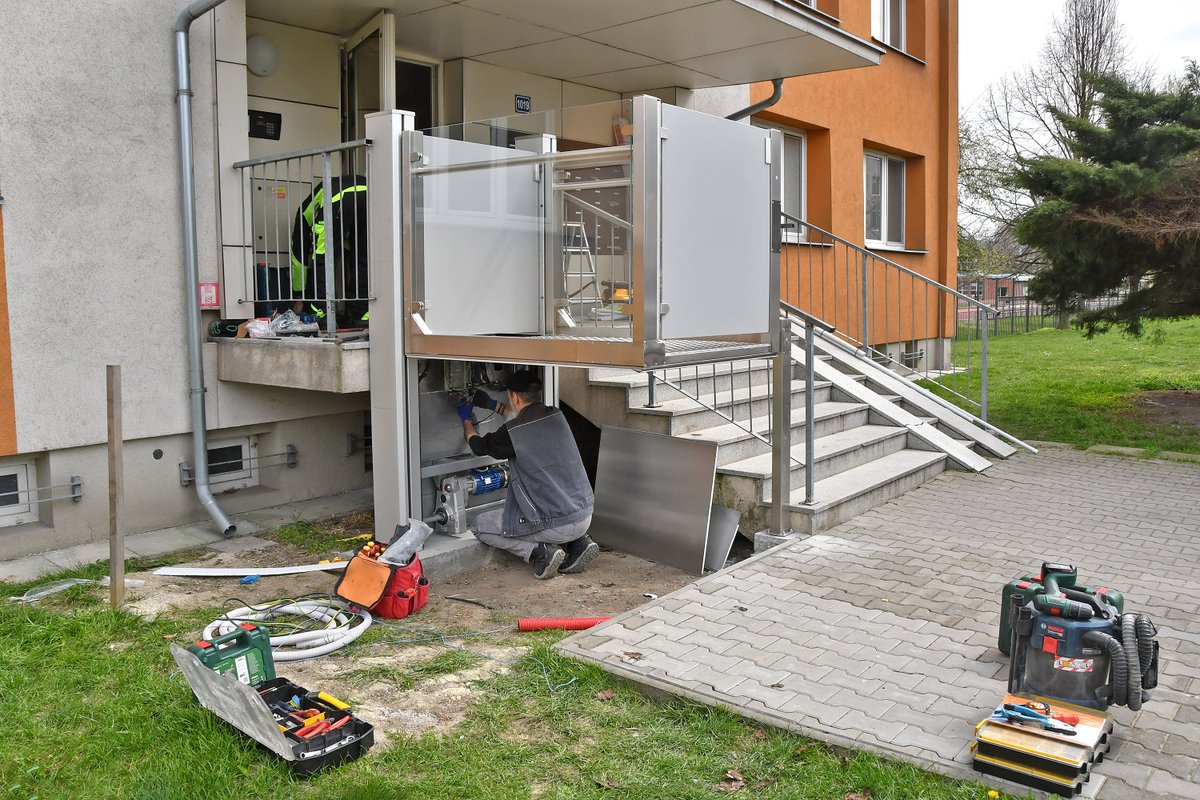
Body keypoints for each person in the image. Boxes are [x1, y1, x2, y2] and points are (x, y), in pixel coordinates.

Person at [458, 371, 598, 579]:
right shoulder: (556, 415)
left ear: (514, 397)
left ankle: (539, 552)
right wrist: (492, 405)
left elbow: (479, 445)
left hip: (554, 525)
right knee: (558, 511)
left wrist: (465, 420)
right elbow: (525, 422)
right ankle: (579, 543)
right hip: (584, 515)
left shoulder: (512, 433)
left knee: (480, 525)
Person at [289, 174, 369, 327]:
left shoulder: (302, 217)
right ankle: (361, 315)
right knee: (364, 257)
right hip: (370, 193)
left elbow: (298, 258)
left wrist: (298, 295)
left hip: (339, 197)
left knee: (324, 257)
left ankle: (322, 313)